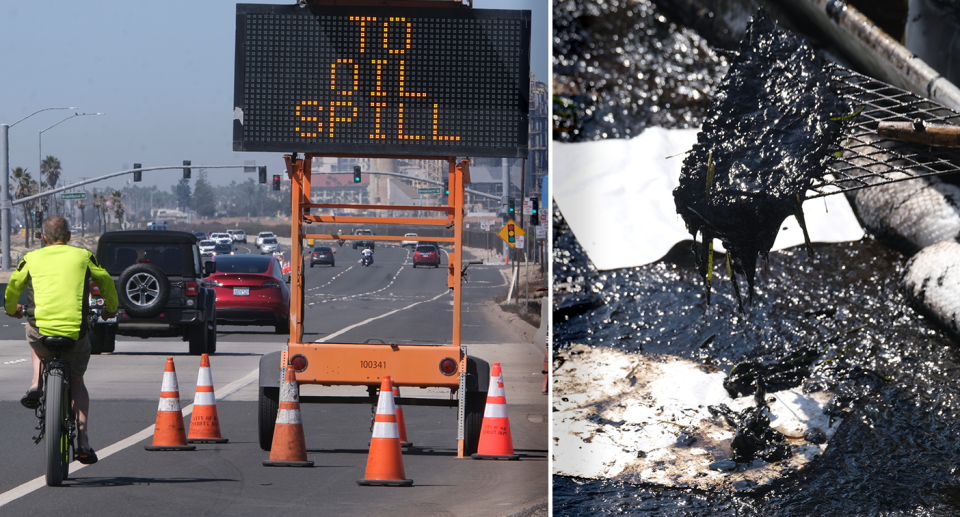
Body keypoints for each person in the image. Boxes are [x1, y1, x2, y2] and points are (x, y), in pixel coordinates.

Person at [4, 215, 118, 465]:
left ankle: (35, 384)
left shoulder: (31, 258)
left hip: (42, 331)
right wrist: (111, 308)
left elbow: (13, 285)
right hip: (75, 333)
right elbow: (106, 281)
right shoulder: (83, 256)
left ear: (43, 238)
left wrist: (12, 308)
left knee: (33, 335)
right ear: (68, 237)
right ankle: (84, 442)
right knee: (77, 380)